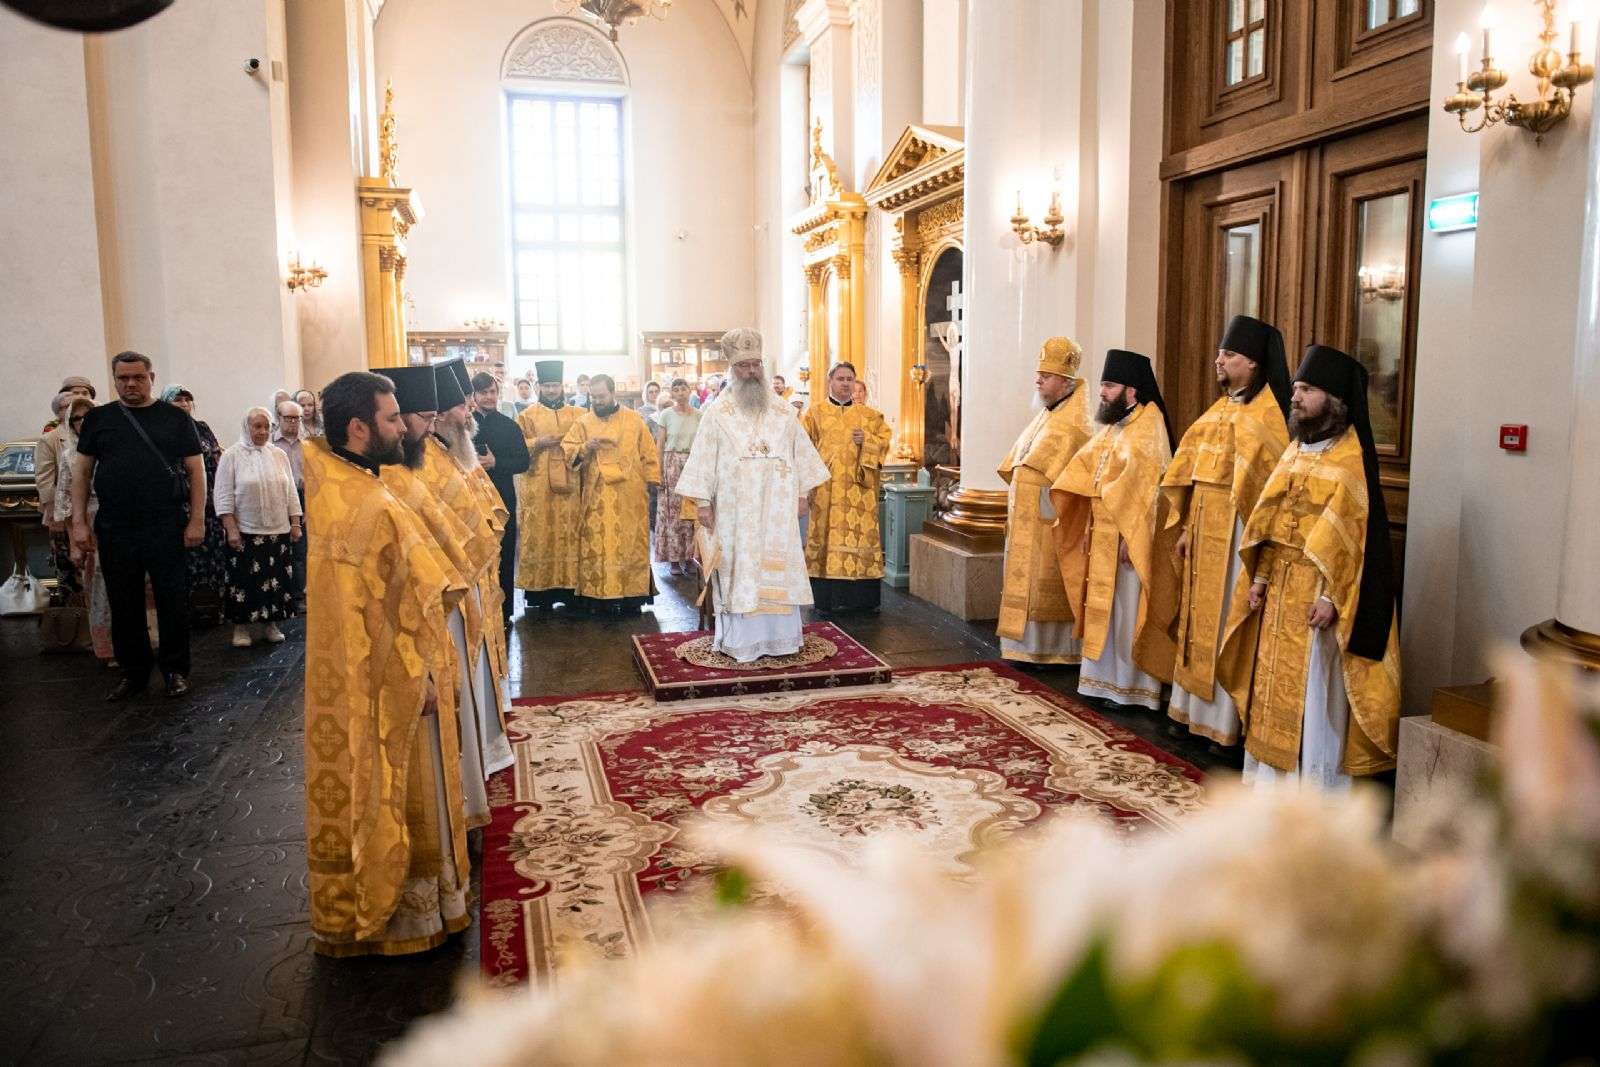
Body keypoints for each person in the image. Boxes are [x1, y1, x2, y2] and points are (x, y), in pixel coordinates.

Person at [302, 370, 472, 957]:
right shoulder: (373, 503)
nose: (406, 428)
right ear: (358, 427)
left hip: (349, 674)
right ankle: (407, 916)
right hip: (390, 673)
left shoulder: (332, 483)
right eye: (394, 418)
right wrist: (418, 674)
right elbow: (393, 609)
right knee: (403, 788)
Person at [1218, 344, 1401, 790]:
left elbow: (1354, 546)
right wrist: (1259, 577)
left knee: (1314, 696)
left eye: (1307, 390)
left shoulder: (1349, 461)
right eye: (1296, 388)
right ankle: (1269, 783)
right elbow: (1269, 521)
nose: (1295, 397)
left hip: (1319, 597)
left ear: (1335, 400)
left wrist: (1330, 598)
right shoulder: (1297, 449)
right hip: (1279, 587)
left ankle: (1314, 789)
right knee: (1271, 688)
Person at [375, 365, 508, 826]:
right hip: (432, 598)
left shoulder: (429, 453)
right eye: (421, 418)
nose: (430, 427)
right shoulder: (397, 471)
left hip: (456, 585)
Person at [1161, 315, 1291, 746]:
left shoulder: (1269, 415)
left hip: (1238, 535)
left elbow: (1267, 491)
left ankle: (1222, 721)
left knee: (1223, 622)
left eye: (1229, 354)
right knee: (1199, 618)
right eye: (1220, 352)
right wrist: (1187, 528)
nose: (1218, 360)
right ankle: (1190, 709)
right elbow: (1193, 475)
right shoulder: (1219, 409)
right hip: (1205, 529)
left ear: (1253, 363)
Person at [675, 329, 829, 660]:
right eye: (743, 366)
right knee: (739, 568)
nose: (750, 372)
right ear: (733, 369)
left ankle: (782, 640)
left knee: (778, 567)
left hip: (777, 507)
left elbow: (801, 453)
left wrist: (803, 493)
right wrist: (703, 502)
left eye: (755, 365)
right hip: (735, 510)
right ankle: (742, 643)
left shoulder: (784, 412)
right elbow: (703, 457)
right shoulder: (717, 413)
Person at [70, 351, 206, 700]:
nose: (130, 384)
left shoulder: (174, 419)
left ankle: (176, 670)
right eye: (123, 378)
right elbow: (82, 473)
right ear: (114, 380)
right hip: (116, 525)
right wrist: (80, 523)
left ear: (151, 378)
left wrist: (197, 520)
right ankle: (134, 672)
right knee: (124, 601)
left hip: (166, 523)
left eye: (137, 378)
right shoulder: (100, 419)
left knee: (172, 599)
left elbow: (196, 471)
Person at [1050, 349, 1179, 711]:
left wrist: (1129, 537)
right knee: (1105, 608)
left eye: (1110, 385)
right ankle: (1102, 682)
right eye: (1103, 384)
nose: (1103, 392)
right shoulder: (1115, 425)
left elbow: (1149, 490)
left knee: (1126, 609)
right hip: (1104, 532)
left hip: (1130, 540)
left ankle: (1131, 687)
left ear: (1133, 391)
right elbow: (1089, 468)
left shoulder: (1148, 426)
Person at [423, 360, 515, 777]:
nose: (471, 412)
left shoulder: (455, 452)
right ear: (439, 414)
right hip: (452, 586)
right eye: (462, 406)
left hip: (475, 575)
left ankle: (487, 744)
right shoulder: (429, 459)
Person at [996, 338, 1093, 666]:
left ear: (1066, 383)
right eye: (1038, 374)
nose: (1038, 380)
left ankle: (1052, 651)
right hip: (1026, 519)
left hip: (1050, 519)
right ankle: (1022, 648)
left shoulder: (1074, 425)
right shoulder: (1047, 415)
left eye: (1046, 375)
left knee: (1044, 585)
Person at [560, 374, 660, 614]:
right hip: (597, 496)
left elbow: (648, 452)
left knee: (630, 545)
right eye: (593, 397)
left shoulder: (635, 420)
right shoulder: (583, 422)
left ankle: (631, 598)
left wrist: (652, 482)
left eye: (601, 396)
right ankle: (599, 596)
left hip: (630, 494)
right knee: (598, 544)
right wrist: (586, 448)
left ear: (613, 393)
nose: (597, 401)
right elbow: (568, 450)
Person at [802, 361, 891, 615]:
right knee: (825, 537)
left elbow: (884, 442)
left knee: (860, 539)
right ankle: (826, 600)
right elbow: (803, 448)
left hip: (858, 493)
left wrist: (869, 441)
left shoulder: (870, 416)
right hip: (825, 491)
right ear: (830, 381)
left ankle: (861, 600)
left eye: (850, 379)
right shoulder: (815, 413)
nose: (845, 383)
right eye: (840, 378)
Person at [214, 407, 302, 647]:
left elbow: (290, 490)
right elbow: (222, 496)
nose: (262, 431)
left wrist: (295, 522)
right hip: (245, 532)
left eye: (266, 426)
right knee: (244, 582)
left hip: (278, 531)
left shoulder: (278, 455)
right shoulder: (232, 455)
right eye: (257, 426)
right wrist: (231, 528)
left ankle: (270, 625)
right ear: (247, 427)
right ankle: (241, 628)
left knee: (275, 581)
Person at [515, 360, 582, 611]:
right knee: (542, 532)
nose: (551, 390)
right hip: (538, 485)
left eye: (555, 385)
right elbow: (518, 448)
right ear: (538, 386)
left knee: (569, 531)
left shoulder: (577, 414)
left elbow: (582, 446)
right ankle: (540, 594)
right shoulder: (527, 415)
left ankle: (570, 589)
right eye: (546, 386)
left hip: (570, 484)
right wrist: (538, 443)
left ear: (561, 386)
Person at [53, 396, 115, 664]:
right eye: (77, 418)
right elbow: (66, 501)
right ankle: (108, 647)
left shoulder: (113, 448)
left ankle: (138, 640)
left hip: (117, 520)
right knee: (99, 585)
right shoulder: (70, 455)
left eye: (89, 416)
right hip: (89, 523)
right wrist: (75, 540)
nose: (84, 423)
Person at [163, 385, 227, 626]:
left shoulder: (202, 428)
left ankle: (213, 609)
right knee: (184, 561)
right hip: (179, 504)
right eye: (176, 399)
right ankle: (187, 614)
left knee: (213, 556)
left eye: (186, 399)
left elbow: (216, 460)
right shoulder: (164, 429)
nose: (182, 403)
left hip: (208, 504)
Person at [471, 371, 531, 626]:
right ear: (473, 396)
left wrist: (497, 462)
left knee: (505, 553)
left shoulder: (509, 426)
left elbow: (524, 462)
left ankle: (505, 612)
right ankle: (479, 612)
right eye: (483, 392)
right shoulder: (464, 425)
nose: (488, 397)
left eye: (492, 392)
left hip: (502, 496)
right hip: (472, 499)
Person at [653, 377, 702, 576]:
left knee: (690, 512)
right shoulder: (665, 415)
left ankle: (690, 557)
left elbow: (702, 442)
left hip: (692, 463)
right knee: (673, 513)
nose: (680, 393)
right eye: (676, 389)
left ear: (689, 391)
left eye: (684, 389)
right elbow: (660, 444)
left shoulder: (699, 415)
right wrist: (657, 472)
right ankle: (673, 559)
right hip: (671, 463)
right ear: (671, 393)